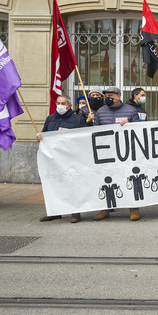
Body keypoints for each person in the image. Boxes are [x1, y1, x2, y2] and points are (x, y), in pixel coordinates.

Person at [37, 95, 88, 223]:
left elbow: (84, 138)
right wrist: (40, 136)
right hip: (53, 159)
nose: (60, 106)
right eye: (58, 103)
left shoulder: (77, 119)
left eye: (63, 103)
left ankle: (75, 212)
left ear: (69, 105)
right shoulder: (50, 119)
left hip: (71, 158)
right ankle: (54, 211)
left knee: (72, 184)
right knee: (53, 184)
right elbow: (44, 133)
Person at [93, 86, 140, 221]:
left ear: (118, 96)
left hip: (126, 152)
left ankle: (134, 209)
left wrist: (129, 125)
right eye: (106, 95)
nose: (108, 98)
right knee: (106, 180)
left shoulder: (131, 111)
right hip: (107, 152)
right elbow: (95, 131)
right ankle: (105, 209)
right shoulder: (101, 111)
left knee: (129, 178)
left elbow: (138, 130)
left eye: (111, 95)